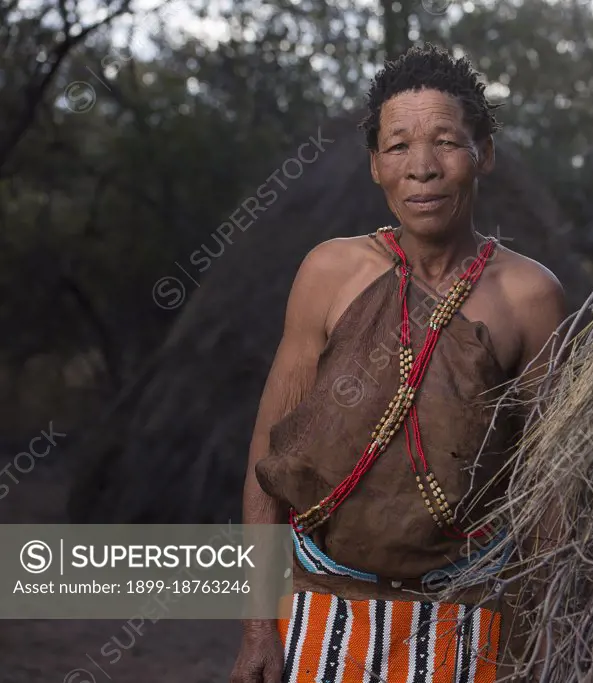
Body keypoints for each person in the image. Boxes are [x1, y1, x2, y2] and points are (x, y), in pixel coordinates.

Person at [229, 44, 568, 683]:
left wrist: (540, 633)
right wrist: (257, 630)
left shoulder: (531, 296)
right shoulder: (329, 272)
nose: (422, 168)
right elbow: (266, 461)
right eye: (398, 147)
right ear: (375, 167)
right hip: (323, 612)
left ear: (483, 154)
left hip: (467, 621)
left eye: (446, 141)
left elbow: (548, 484)